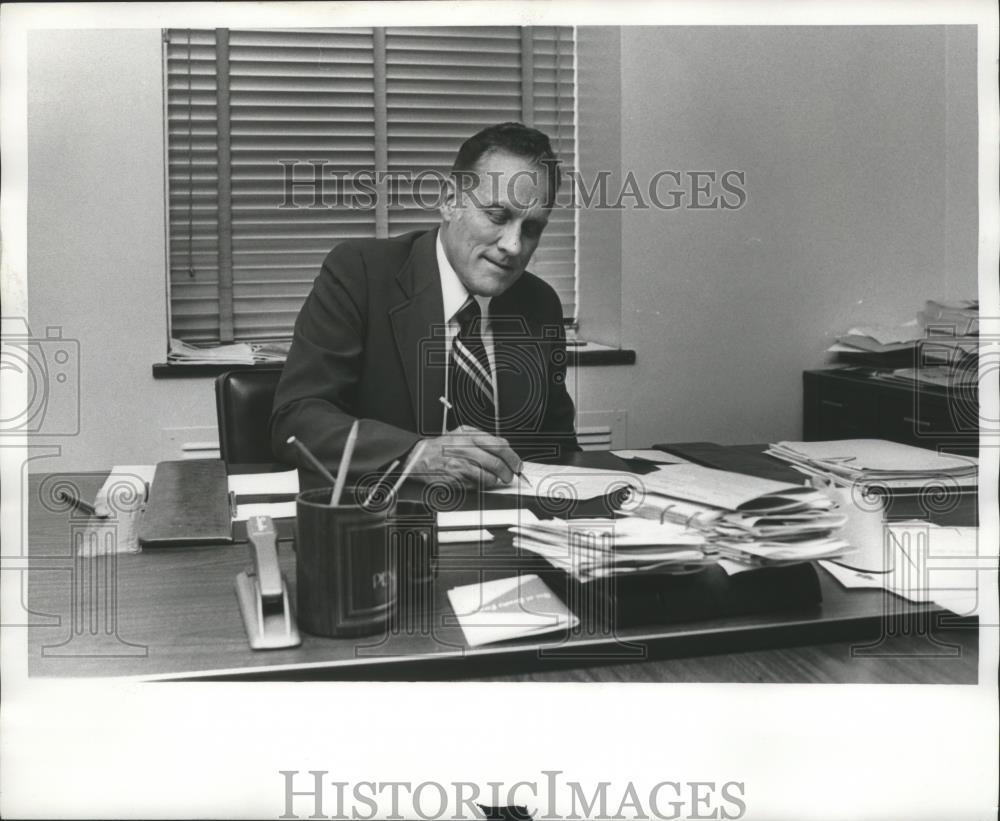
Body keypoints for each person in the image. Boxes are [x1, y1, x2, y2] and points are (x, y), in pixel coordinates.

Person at [270, 122, 580, 489]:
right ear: (450, 201)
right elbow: (297, 420)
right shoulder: (360, 274)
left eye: (531, 229)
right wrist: (416, 454)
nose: (513, 246)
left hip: (510, 528)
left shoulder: (538, 303)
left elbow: (557, 449)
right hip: (389, 522)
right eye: (497, 217)